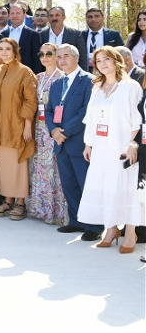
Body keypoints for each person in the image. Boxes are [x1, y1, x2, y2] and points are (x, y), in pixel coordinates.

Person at [77, 46, 143, 253]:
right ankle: (111, 229)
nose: (102, 64)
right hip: (100, 147)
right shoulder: (97, 87)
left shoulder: (130, 86)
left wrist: (132, 145)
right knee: (105, 188)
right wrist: (89, 144)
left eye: (106, 59)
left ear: (116, 61)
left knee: (126, 189)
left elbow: (137, 120)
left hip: (121, 146)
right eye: (98, 61)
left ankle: (131, 233)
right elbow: (90, 118)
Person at [45, 44, 101, 241]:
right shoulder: (57, 83)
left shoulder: (89, 81)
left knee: (85, 183)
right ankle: (76, 221)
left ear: (77, 58)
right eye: (58, 56)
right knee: (68, 183)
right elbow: (49, 109)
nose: (62, 60)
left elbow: (86, 111)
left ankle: (93, 226)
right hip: (60, 143)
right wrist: (53, 131)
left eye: (66, 56)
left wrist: (64, 132)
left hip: (79, 142)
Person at [0, 38, 38, 221]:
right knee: (3, 167)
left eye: (7, 49)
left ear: (15, 51)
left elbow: (30, 101)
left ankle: (20, 203)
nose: (3, 52)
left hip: (16, 126)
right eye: (0, 49)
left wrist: (27, 125)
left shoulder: (24, 72)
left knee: (18, 165)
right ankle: (7, 200)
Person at [27, 43, 68, 225]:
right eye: (41, 53)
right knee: (41, 168)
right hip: (39, 128)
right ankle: (42, 209)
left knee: (56, 169)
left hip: (55, 128)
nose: (45, 56)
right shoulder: (38, 77)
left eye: (49, 53)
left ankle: (59, 212)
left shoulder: (63, 77)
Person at [81, 7, 124, 72]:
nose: (93, 19)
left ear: (103, 17)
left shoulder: (114, 35)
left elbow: (121, 54)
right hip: (85, 74)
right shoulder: (80, 35)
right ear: (86, 19)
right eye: (90, 17)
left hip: (108, 72)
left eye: (97, 16)